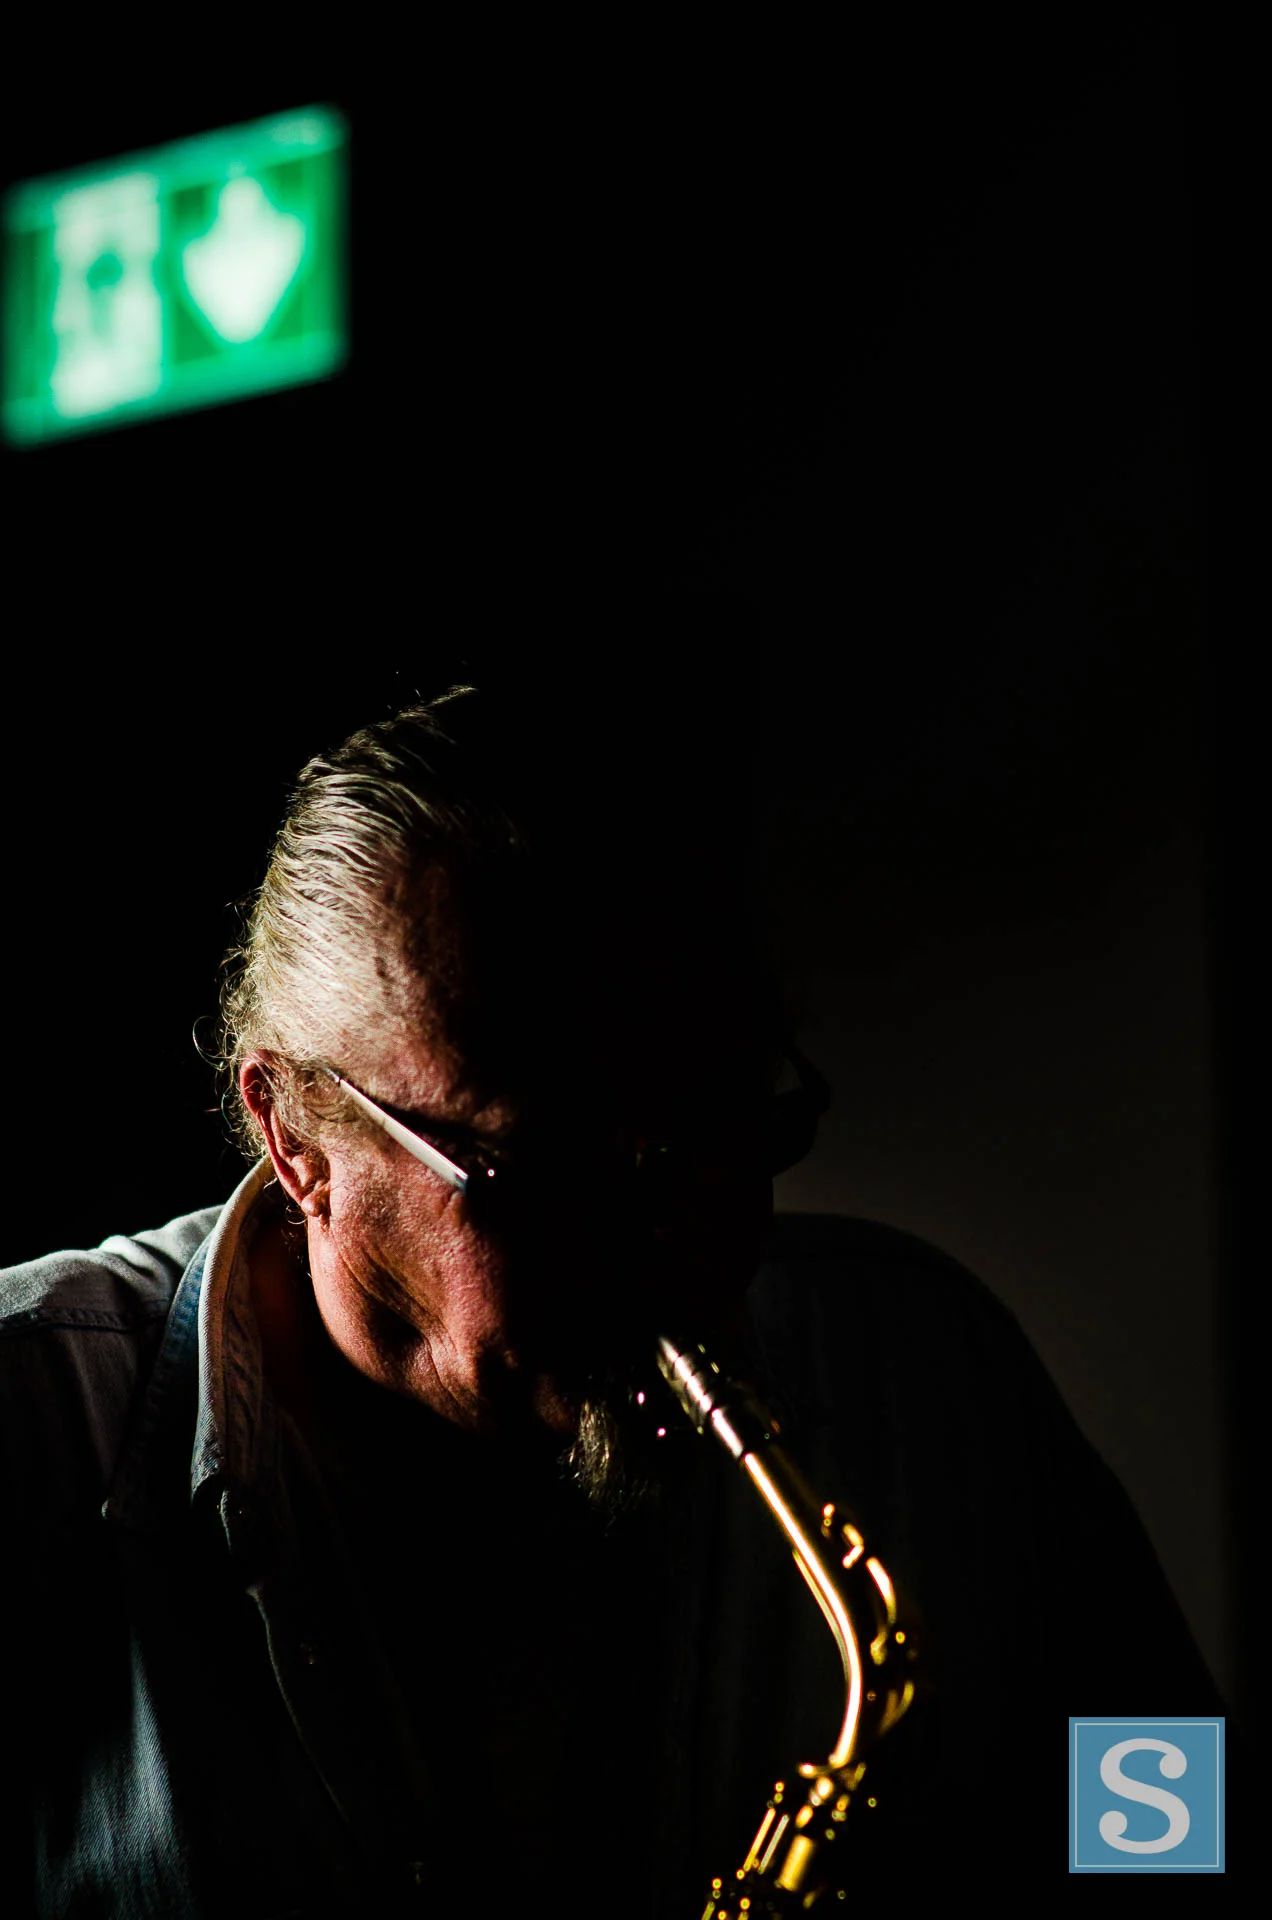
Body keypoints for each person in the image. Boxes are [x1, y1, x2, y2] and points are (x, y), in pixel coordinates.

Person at [0, 686, 1228, 1917]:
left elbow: (1161, 1766)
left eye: (721, 1132)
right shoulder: (35, 1422)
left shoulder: (925, 1363)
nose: (674, 1246)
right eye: (554, 1174)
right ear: (295, 1138)